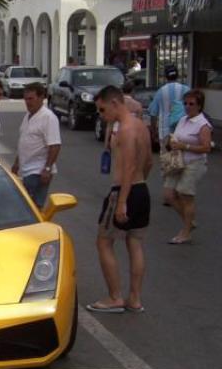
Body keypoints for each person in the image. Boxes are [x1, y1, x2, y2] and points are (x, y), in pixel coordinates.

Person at [87, 86, 153, 314]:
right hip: (141, 189)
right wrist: (139, 185)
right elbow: (148, 163)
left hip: (123, 191)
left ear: (115, 103)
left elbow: (128, 168)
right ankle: (134, 298)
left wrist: (123, 201)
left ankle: (115, 297)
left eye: (103, 109)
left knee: (103, 241)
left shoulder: (125, 130)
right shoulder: (140, 126)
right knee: (135, 243)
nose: (102, 115)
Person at [164, 89, 212, 244]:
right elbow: (176, 138)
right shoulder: (183, 119)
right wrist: (171, 143)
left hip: (194, 163)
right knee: (169, 195)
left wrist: (184, 146)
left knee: (185, 194)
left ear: (199, 106)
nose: (187, 106)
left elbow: (206, 148)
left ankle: (186, 232)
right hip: (177, 162)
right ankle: (189, 221)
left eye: (191, 104)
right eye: (185, 103)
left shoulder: (203, 125)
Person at [11, 82, 61, 208]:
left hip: (38, 171)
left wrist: (47, 169)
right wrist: (17, 163)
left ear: (41, 98)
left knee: (30, 207)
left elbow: (54, 145)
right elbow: (24, 140)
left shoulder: (48, 118)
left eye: (31, 99)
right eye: (26, 99)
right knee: (26, 206)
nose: (28, 102)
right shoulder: (28, 116)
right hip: (25, 170)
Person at [148, 65, 190, 205]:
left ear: (165, 77)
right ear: (177, 75)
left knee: (167, 162)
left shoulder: (161, 91)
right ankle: (179, 192)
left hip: (165, 132)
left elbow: (153, 113)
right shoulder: (186, 90)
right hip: (184, 132)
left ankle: (168, 195)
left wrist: (153, 131)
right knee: (182, 161)